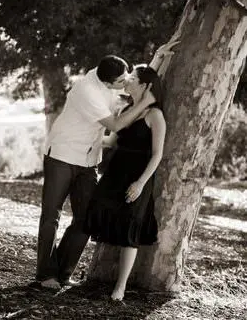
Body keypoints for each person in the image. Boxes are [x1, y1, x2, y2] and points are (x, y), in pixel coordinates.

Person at [34, 55, 156, 290]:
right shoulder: (87, 91)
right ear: (108, 83)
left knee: (86, 218)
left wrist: (158, 57)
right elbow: (115, 126)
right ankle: (45, 275)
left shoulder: (109, 73)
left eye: (126, 75)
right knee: (51, 216)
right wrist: (143, 103)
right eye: (121, 81)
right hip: (62, 155)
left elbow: (136, 78)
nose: (126, 82)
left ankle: (62, 271)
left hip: (89, 161)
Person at [84, 65, 166, 301]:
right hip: (116, 172)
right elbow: (112, 141)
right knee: (98, 207)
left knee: (130, 226)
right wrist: (87, 137)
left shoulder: (155, 115)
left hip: (138, 176)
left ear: (145, 86)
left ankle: (120, 287)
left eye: (132, 79)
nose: (127, 82)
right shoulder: (128, 109)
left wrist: (141, 183)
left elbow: (157, 154)